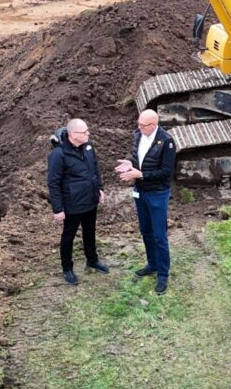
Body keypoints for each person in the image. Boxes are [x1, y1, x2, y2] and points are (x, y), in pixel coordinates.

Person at [115, 109, 176, 295]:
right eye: (138, 124)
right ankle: (153, 264)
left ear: (154, 124)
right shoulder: (138, 135)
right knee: (146, 230)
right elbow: (137, 157)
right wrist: (130, 164)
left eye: (143, 125)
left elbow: (167, 172)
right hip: (140, 191)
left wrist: (140, 174)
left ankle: (163, 275)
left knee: (159, 235)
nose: (139, 128)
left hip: (157, 193)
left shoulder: (166, 141)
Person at [47, 118, 108, 285]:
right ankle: (67, 268)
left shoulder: (88, 147)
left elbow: (96, 169)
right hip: (73, 204)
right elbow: (53, 182)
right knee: (69, 236)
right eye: (85, 132)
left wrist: (99, 189)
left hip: (90, 199)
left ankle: (92, 260)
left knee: (90, 231)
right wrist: (58, 208)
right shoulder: (58, 155)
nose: (88, 134)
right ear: (73, 134)